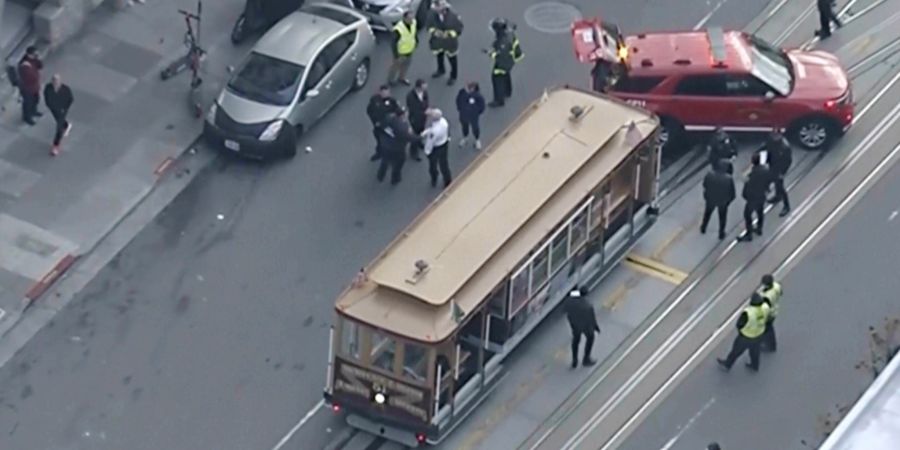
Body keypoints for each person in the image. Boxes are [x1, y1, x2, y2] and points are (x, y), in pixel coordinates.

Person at [717, 293, 770, 372]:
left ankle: (727, 364)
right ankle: (755, 365)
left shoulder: (748, 312)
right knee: (755, 351)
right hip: (759, 334)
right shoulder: (765, 307)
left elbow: (739, 324)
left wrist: (741, 331)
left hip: (746, 337)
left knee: (736, 351)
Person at [487, 18, 523, 107]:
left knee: (496, 79)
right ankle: (508, 91)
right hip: (510, 61)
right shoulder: (510, 34)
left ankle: (499, 100)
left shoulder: (502, 43)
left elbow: (500, 57)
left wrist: (491, 53)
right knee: (506, 75)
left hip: (503, 64)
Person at [376, 108, 418, 185]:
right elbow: (409, 137)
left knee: (385, 160)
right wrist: (419, 137)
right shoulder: (402, 126)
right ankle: (395, 178)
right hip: (396, 148)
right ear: (403, 115)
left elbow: (380, 126)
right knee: (399, 162)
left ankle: (380, 175)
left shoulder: (388, 118)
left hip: (385, 144)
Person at [428, 0, 463, 85]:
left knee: (452, 60)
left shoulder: (454, 16)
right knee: (439, 56)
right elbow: (429, 26)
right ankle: (441, 70)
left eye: (438, 8)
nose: (436, 10)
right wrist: (434, 32)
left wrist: (449, 34)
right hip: (438, 42)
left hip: (449, 43)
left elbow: (459, 29)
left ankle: (453, 76)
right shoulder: (432, 14)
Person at [737, 153, 771, 242]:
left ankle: (749, 234)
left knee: (747, 215)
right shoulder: (766, 170)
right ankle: (759, 228)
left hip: (752, 198)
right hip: (761, 195)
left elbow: (744, 180)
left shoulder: (752, 173)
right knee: (760, 212)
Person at [565, 286, 601, 368]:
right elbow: (592, 319)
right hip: (585, 325)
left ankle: (574, 360)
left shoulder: (570, 300)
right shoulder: (587, 306)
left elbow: (567, 312)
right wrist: (596, 327)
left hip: (575, 324)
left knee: (576, 340)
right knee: (590, 338)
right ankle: (586, 358)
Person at [700, 160, 736, 240]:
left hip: (710, 198)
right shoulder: (729, 179)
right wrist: (728, 201)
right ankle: (721, 233)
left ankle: (703, 227)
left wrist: (707, 195)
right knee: (722, 218)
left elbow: (705, 185)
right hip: (723, 202)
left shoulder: (709, 174)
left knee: (707, 214)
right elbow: (732, 193)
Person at [366, 85, 401, 161]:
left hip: (389, 127)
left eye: (387, 93)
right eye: (384, 93)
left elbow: (399, 112)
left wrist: (394, 117)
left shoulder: (392, 101)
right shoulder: (374, 100)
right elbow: (369, 111)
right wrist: (375, 122)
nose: (386, 94)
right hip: (379, 127)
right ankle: (379, 153)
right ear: (380, 92)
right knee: (379, 142)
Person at [43, 74, 74, 157]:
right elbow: (46, 97)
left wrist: (64, 108)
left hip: (62, 110)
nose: (56, 83)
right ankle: (66, 125)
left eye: (57, 81)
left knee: (59, 128)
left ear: (60, 81)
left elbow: (70, 99)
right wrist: (49, 105)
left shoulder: (65, 89)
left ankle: (55, 146)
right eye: (54, 81)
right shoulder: (48, 88)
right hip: (54, 110)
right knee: (59, 121)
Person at [764, 130, 793, 217]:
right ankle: (777, 196)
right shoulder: (771, 140)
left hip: (779, 169)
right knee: (768, 181)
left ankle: (786, 206)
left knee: (780, 187)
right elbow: (766, 147)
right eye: (773, 135)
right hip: (772, 165)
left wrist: (782, 173)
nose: (774, 137)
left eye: (776, 136)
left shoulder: (785, 147)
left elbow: (788, 161)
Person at [422, 108, 451, 187]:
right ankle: (447, 180)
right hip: (444, 143)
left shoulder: (435, 131)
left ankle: (434, 178)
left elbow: (430, 142)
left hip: (436, 148)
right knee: (444, 164)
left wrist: (427, 151)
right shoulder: (443, 122)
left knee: (433, 165)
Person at [388, 12, 417, 86]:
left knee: (405, 66)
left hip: (409, 51)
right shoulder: (398, 29)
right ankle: (391, 80)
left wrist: (416, 41)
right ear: (404, 19)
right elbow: (393, 43)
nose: (411, 20)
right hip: (400, 53)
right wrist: (396, 55)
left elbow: (413, 33)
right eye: (409, 19)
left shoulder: (413, 22)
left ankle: (402, 78)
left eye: (412, 18)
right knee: (395, 67)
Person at [17, 46, 44, 125]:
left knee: (36, 100)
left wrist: (38, 59)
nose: (35, 55)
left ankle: (34, 112)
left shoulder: (34, 60)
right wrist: (37, 77)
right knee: (28, 103)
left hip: (34, 87)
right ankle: (27, 117)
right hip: (27, 88)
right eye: (34, 54)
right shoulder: (24, 64)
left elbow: (40, 66)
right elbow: (30, 77)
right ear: (29, 54)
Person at [455, 81, 485, 150]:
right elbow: (458, 100)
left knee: (475, 128)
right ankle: (465, 138)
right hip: (463, 114)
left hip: (473, 116)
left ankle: (477, 140)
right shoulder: (462, 93)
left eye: (470, 88)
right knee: (464, 126)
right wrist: (460, 109)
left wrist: (476, 112)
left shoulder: (477, 96)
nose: (468, 89)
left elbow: (482, 106)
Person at [757, 274, 783, 352]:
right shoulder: (776, 286)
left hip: (769, 314)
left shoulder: (767, 296)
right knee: (769, 328)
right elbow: (781, 292)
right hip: (775, 310)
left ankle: (770, 345)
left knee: (767, 329)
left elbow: (765, 308)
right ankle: (770, 344)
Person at [405, 79, 430, 161]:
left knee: (421, 131)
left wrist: (426, 110)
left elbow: (426, 102)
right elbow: (414, 110)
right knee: (414, 136)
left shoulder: (424, 93)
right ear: (418, 87)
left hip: (423, 118)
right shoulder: (410, 96)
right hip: (415, 120)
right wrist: (424, 112)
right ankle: (413, 152)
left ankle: (419, 142)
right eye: (423, 87)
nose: (425, 89)